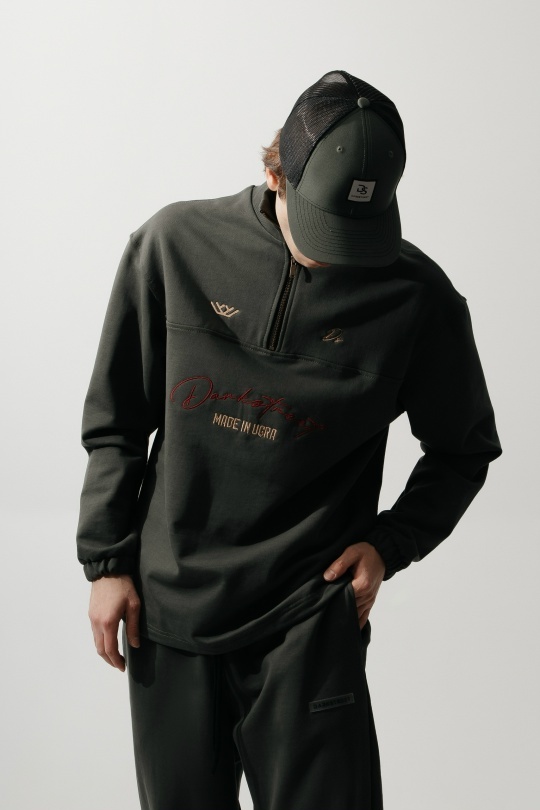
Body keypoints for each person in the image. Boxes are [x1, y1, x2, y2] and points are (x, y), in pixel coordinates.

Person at [76, 69, 503, 810]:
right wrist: (107, 561)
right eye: (325, 226)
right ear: (276, 171)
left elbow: (463, 449)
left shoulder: (418, 300)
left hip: (310, 621)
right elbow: (118, 416)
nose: (340, 254)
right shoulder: (173, 246)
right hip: (171, 613)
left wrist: (389, 544)